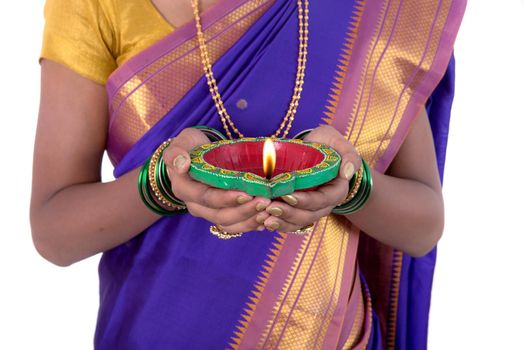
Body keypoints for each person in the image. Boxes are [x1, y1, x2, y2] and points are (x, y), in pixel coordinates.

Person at [30, 0, 466, 348]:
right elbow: (55, 231)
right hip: (155, 331)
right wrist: (161, 183)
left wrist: (352, 188)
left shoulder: (370, 8)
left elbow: (423, 226)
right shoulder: (93, 5)